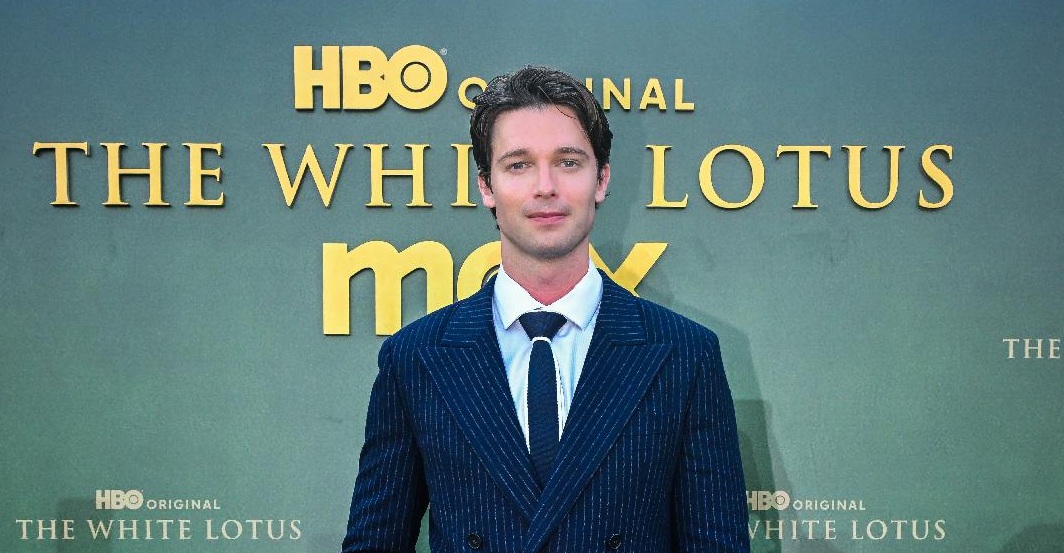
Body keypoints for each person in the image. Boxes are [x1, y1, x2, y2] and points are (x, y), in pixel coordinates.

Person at [342, 66, 749, 553]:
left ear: (601, 179)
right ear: (486, 186)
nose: (545, 186)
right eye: (518, 165)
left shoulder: (685, 354)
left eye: (568, 162)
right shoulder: (415, 357)